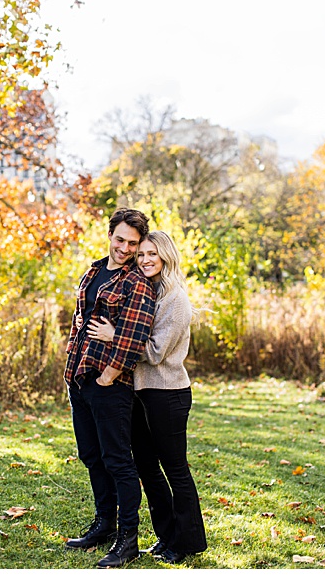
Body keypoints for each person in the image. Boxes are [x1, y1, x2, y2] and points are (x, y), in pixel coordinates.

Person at [87, 230, 207, 564]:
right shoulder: (146, 292)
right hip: (139, 392)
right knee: (146, 468)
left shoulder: (175, 299)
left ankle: (188, 542)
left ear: (166, 255)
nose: (145, 260)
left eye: (152, 254)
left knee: (175, 469)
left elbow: (154, 352)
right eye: (141, 255)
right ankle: (167, 536)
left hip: (168, 393)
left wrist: (116, 336)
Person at [62, 207, 156, 569]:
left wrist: (109, 374)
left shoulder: (136, 283)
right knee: (91, 455)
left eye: (133, 243)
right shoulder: (94, 270)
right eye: (120, 239)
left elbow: (134, 338)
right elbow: (79, 320)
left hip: (110, 384)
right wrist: (71, 369)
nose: (125, 248)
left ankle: (127, 540)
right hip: (80, 377)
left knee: (118, 461)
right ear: (110, 235)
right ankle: (103, 524)